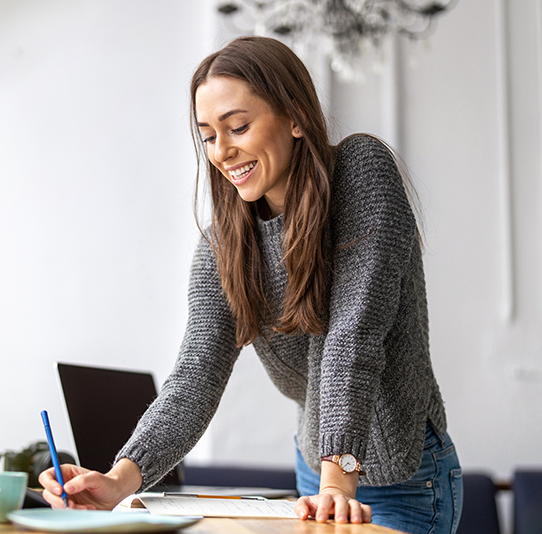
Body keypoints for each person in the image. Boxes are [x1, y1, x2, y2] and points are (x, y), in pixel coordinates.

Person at [40, 36, 463, 534]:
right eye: (208, 135)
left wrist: (338, 484)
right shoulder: (223, 246)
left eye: (238, 126)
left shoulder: (360, 172)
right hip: (318, 476)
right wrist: (118, 480)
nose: (223, 151)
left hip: (400, 475)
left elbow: (352, 335)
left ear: (295, 117)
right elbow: (196, 375)